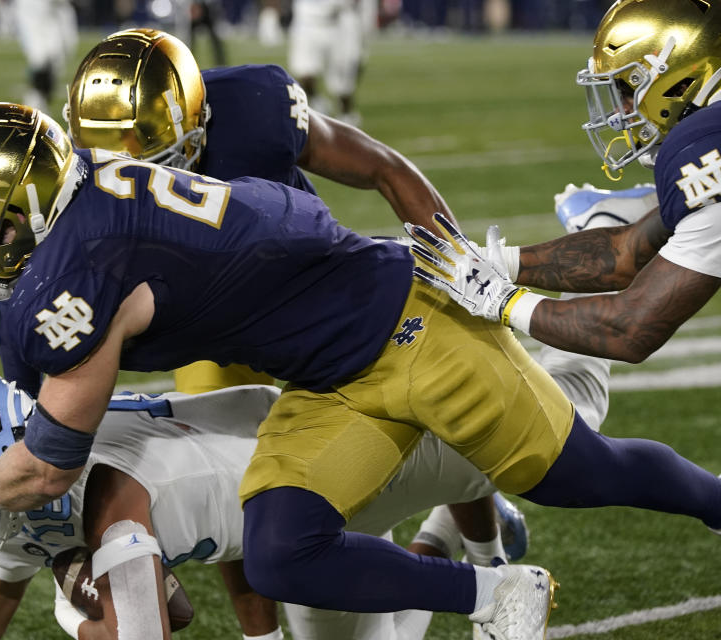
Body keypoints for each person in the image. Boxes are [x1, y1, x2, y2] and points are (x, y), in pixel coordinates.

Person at [0, 102, 721, 640]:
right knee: (278, 549)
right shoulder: (94, 206)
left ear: (18, 212)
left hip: (407, 326)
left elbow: (51, 464)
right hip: (327, 377)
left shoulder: (74, 271)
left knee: (583, 471)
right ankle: (499, 594)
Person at [61, 28, 520, 572]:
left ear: (194, 121)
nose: (135, 177)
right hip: (206, 322)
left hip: (308, 287)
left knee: (427, 383)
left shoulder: (251, 108)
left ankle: (489, 558)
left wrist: (457, 269)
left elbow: (381, 167)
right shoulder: (77, 194)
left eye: (151, 155)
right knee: (231, 480)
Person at [0, 360, 511, 639]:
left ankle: (492, 571)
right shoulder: (25, 492)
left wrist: (71, 616)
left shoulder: (98, 480)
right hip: (280, 524)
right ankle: (450, 540)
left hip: (333, 459)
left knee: (535, 442)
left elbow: (150, 631)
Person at [404, 0, 721, 368]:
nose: (621, 114)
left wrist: (501, 300)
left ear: (680, 78)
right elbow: (624, 254)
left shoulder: (705, 145)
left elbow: (631, 329)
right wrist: (493, 261)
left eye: (626, 89)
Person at [9, 0, 78, 113]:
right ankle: (32, 109)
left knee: (59, 58)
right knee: (41, 60)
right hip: (33, 9)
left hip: (57, 11)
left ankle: (40, 104)